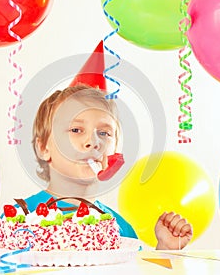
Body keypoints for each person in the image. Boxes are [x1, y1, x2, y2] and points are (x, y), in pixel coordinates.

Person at [12, 84, 192, 250]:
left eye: (104, 133)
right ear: (44, 147)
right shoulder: (17, 219)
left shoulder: (120, 230)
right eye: (76, 130)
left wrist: (164, 250)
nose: (93, 141)